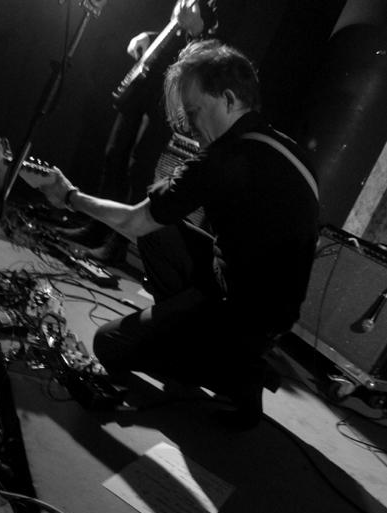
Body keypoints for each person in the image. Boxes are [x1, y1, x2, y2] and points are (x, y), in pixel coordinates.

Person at [39, 39, 319, 428]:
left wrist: (69, 196)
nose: (189, 125)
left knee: (109, 344)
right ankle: (198, 342)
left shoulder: (224, 159)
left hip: (241, 315)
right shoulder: (288, 149)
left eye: (194, 111)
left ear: (228, 99)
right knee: (161, 232)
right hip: (271, 309)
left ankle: (238, 372)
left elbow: (134, 222)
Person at [62, 0, 216, 265]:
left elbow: (211, 49)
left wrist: (196, 30)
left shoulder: (213, 7)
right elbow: (175, 32)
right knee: (114, 155)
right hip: (145, 84)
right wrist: (150, 36)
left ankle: (118, 244)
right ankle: (98, 227)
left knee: (139, 167)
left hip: (168, 95)